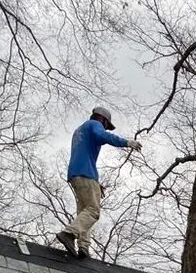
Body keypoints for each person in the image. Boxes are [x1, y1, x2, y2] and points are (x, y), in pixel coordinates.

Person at [56, 106, 142, 258]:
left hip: (76, 174)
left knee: (85, 212)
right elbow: (103, 136)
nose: (105, 128)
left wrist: (96, 183)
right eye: (106, 125)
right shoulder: (94, 125)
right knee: (93, 211)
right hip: (85, 173)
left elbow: (85, 154)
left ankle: (83, 247)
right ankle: (68, 234)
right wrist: (127, 142)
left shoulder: (79, 130)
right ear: (102, 119)